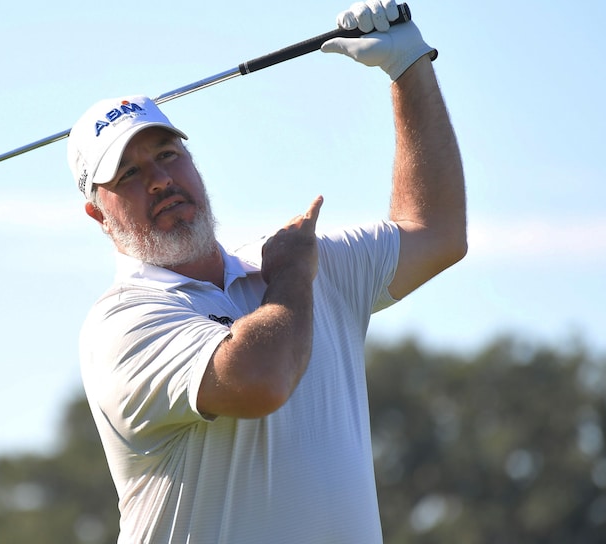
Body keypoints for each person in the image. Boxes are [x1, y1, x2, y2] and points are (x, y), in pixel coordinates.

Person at [66, 1, 466, 542]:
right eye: (129, 174)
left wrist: (409, 67)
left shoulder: (287, 260)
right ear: (98, 214)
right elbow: (260, 378)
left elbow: (437, 232)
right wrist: (294, 277)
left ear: (192, 161)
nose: (158, 180)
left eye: (166, 155)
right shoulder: (123, 323)